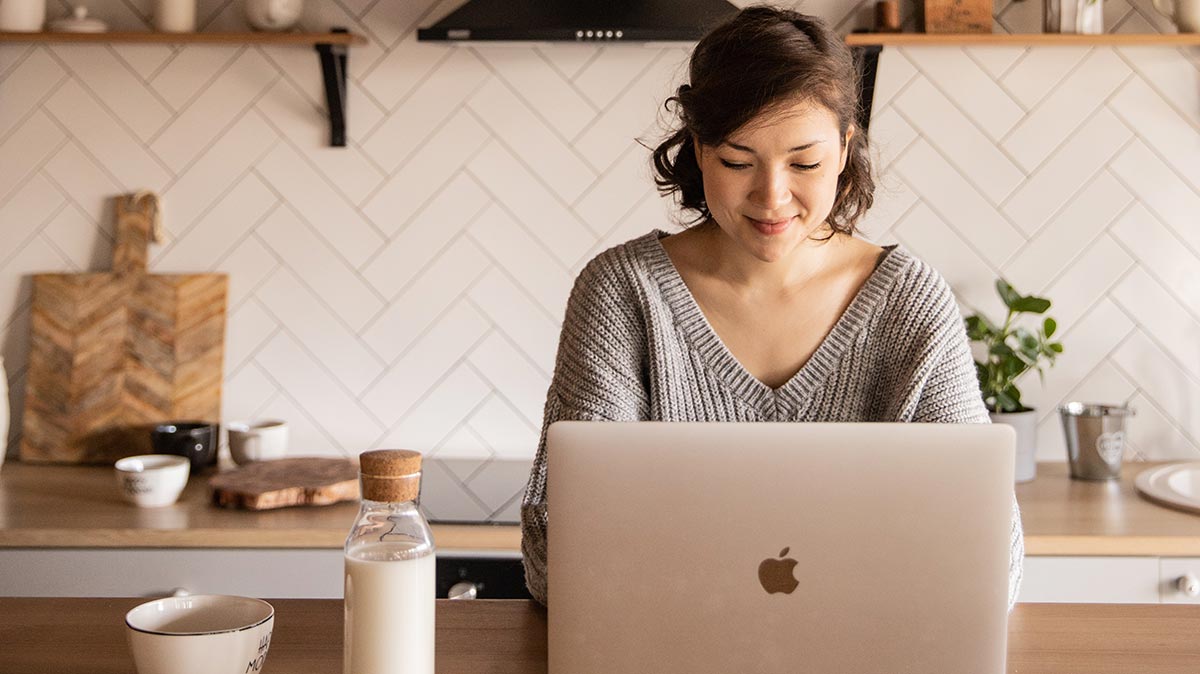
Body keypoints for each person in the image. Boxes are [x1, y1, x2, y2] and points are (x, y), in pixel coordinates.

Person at [520, 5, 1023, 609]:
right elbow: (557, 559)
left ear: (844, 149)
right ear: (699, 149)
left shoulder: (910, 305)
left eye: (804, 162)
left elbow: (991, 561)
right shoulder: (622, 294)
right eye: (738, 161)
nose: (772, 196)